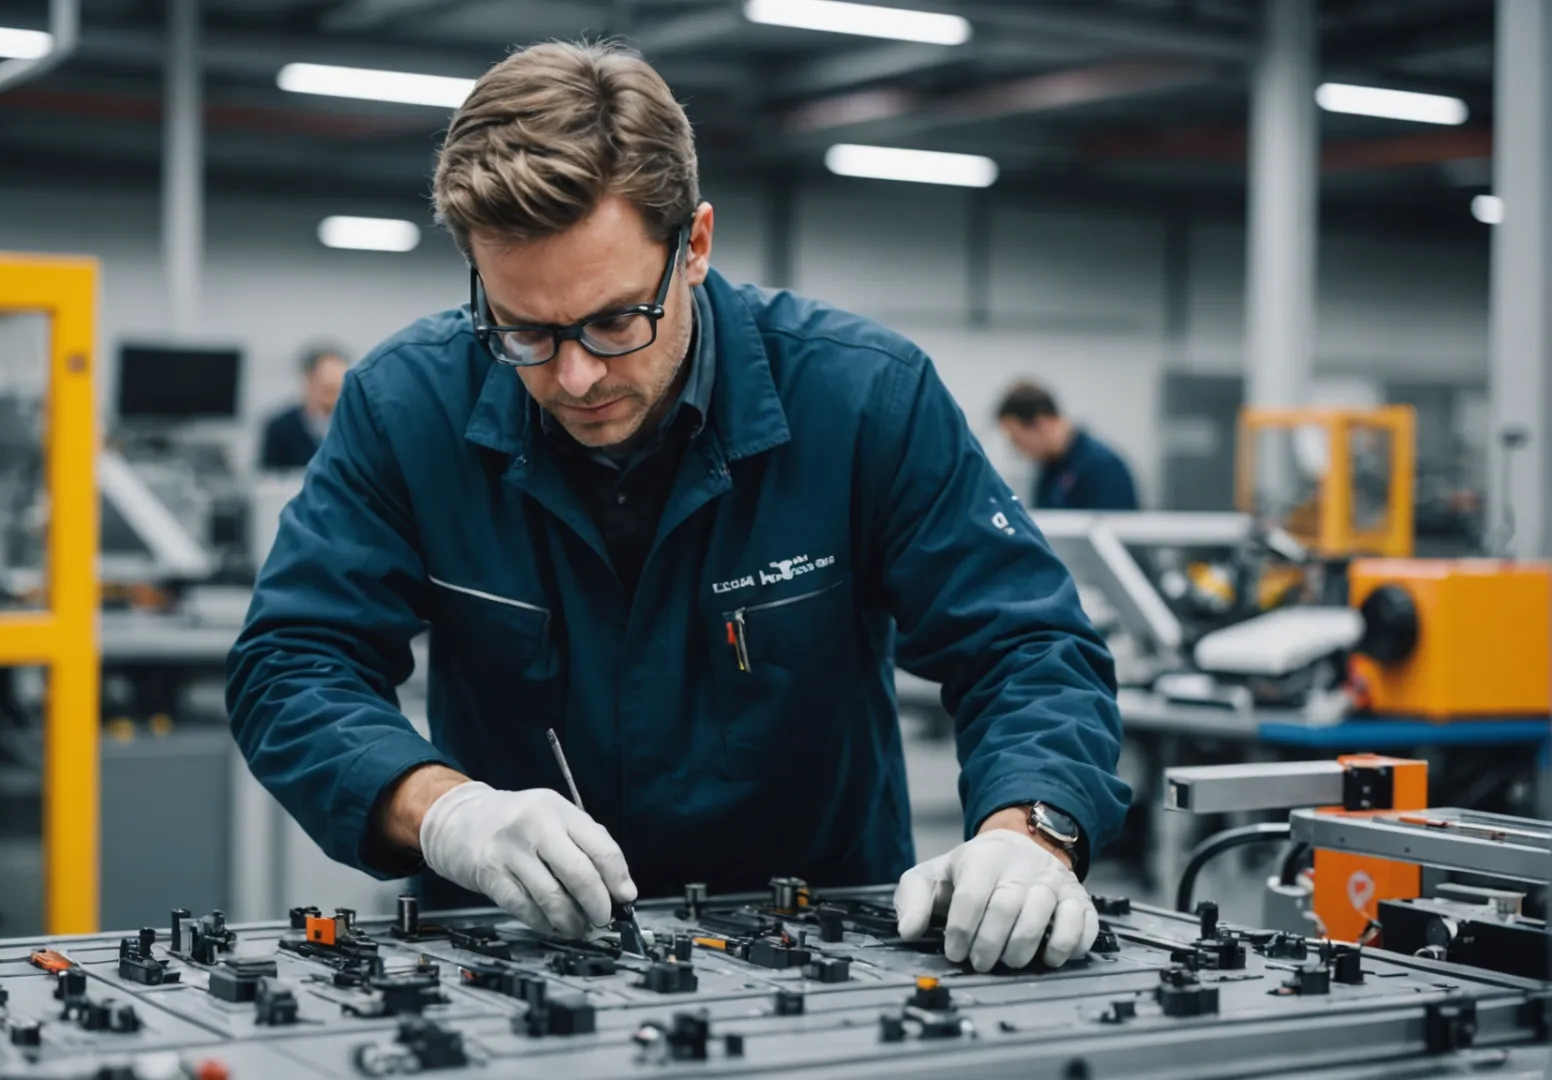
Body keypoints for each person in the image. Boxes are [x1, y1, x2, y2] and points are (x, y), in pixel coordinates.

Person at [227, 41, 1131, 975]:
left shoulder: (863, 400)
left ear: (693, 246)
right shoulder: (406, 407)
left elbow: (1026, 646)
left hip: (819, 950)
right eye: (525, 330)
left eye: (615, 320)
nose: (574, 376)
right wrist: (444, 808)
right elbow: (294, 664)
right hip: (516, 952)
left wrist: (1029, 832)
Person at [996, 381, 1140, 511]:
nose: (1017, 449)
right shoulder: (1050, 468)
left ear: (1041, 423)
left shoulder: (1103, 467)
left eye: (1017, 440)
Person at [258, 345, 350, 469]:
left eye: (339, 388)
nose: (334, 397)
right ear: (308, 381)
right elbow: (269, 478)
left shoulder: (356, 426)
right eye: (327, 389)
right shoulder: (280, 427)